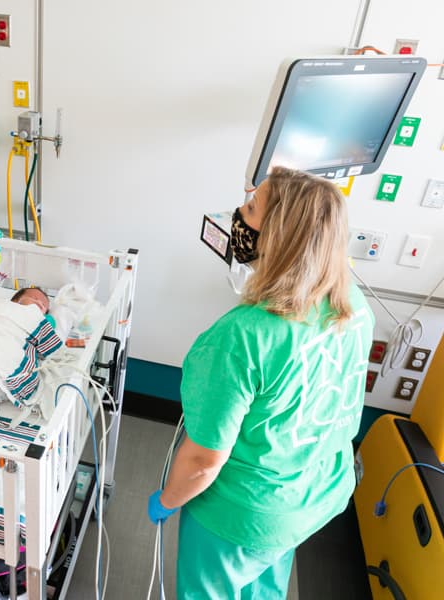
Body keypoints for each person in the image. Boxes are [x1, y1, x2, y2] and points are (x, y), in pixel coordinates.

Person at [147, 167, 374, 599]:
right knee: (263, 585)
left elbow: (202, 462)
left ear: (278, 237)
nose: (237, 213)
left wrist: (168, 500)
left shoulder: (243, 337)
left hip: (245, 512)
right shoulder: (353, 306)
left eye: (251, 208)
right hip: (312, 495)